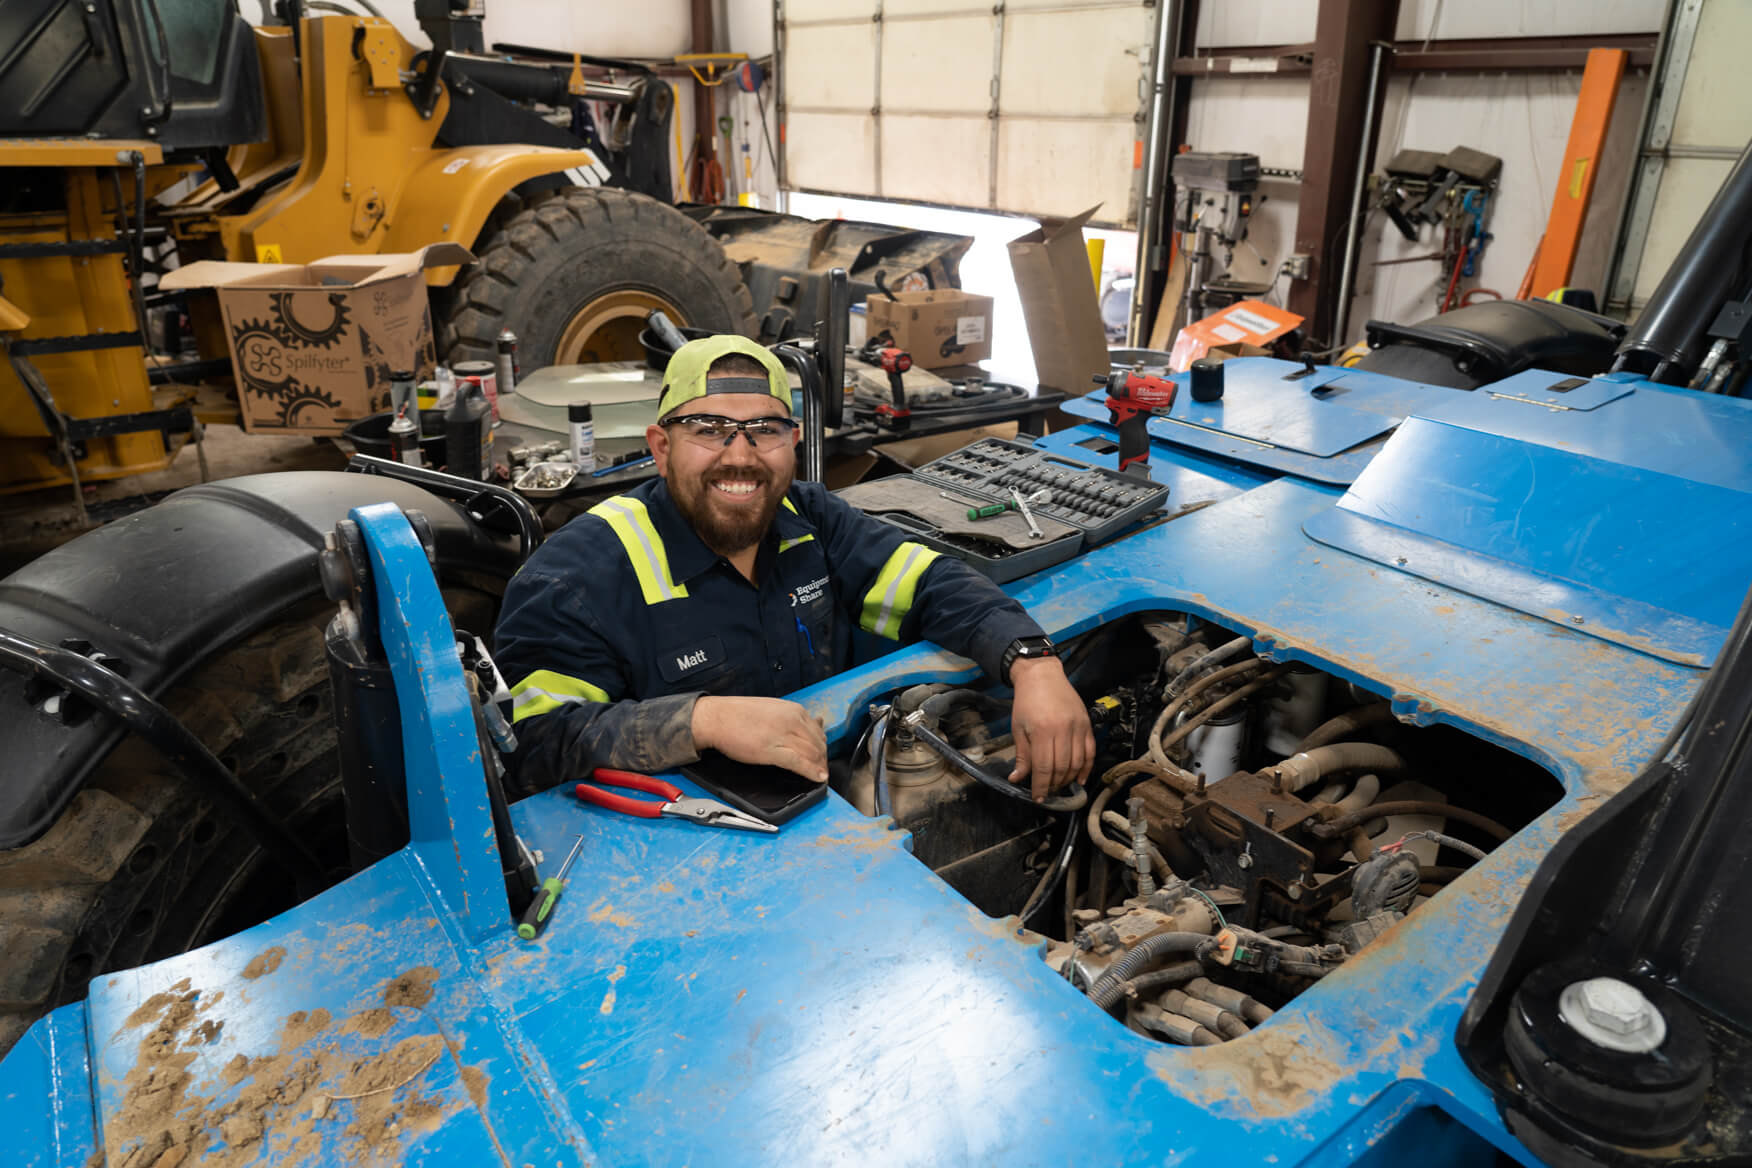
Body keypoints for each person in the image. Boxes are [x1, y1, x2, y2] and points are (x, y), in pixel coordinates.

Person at [493, 334, 1093, 801]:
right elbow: (535, 745)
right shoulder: (573, 580)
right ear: (661, 447)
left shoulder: (810, 519)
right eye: (708, 430)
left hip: (822, 806)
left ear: (794, 440)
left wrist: (1032, 662)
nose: (740, 455)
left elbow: (929, 582)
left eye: (765, 430)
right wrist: (700, 720)